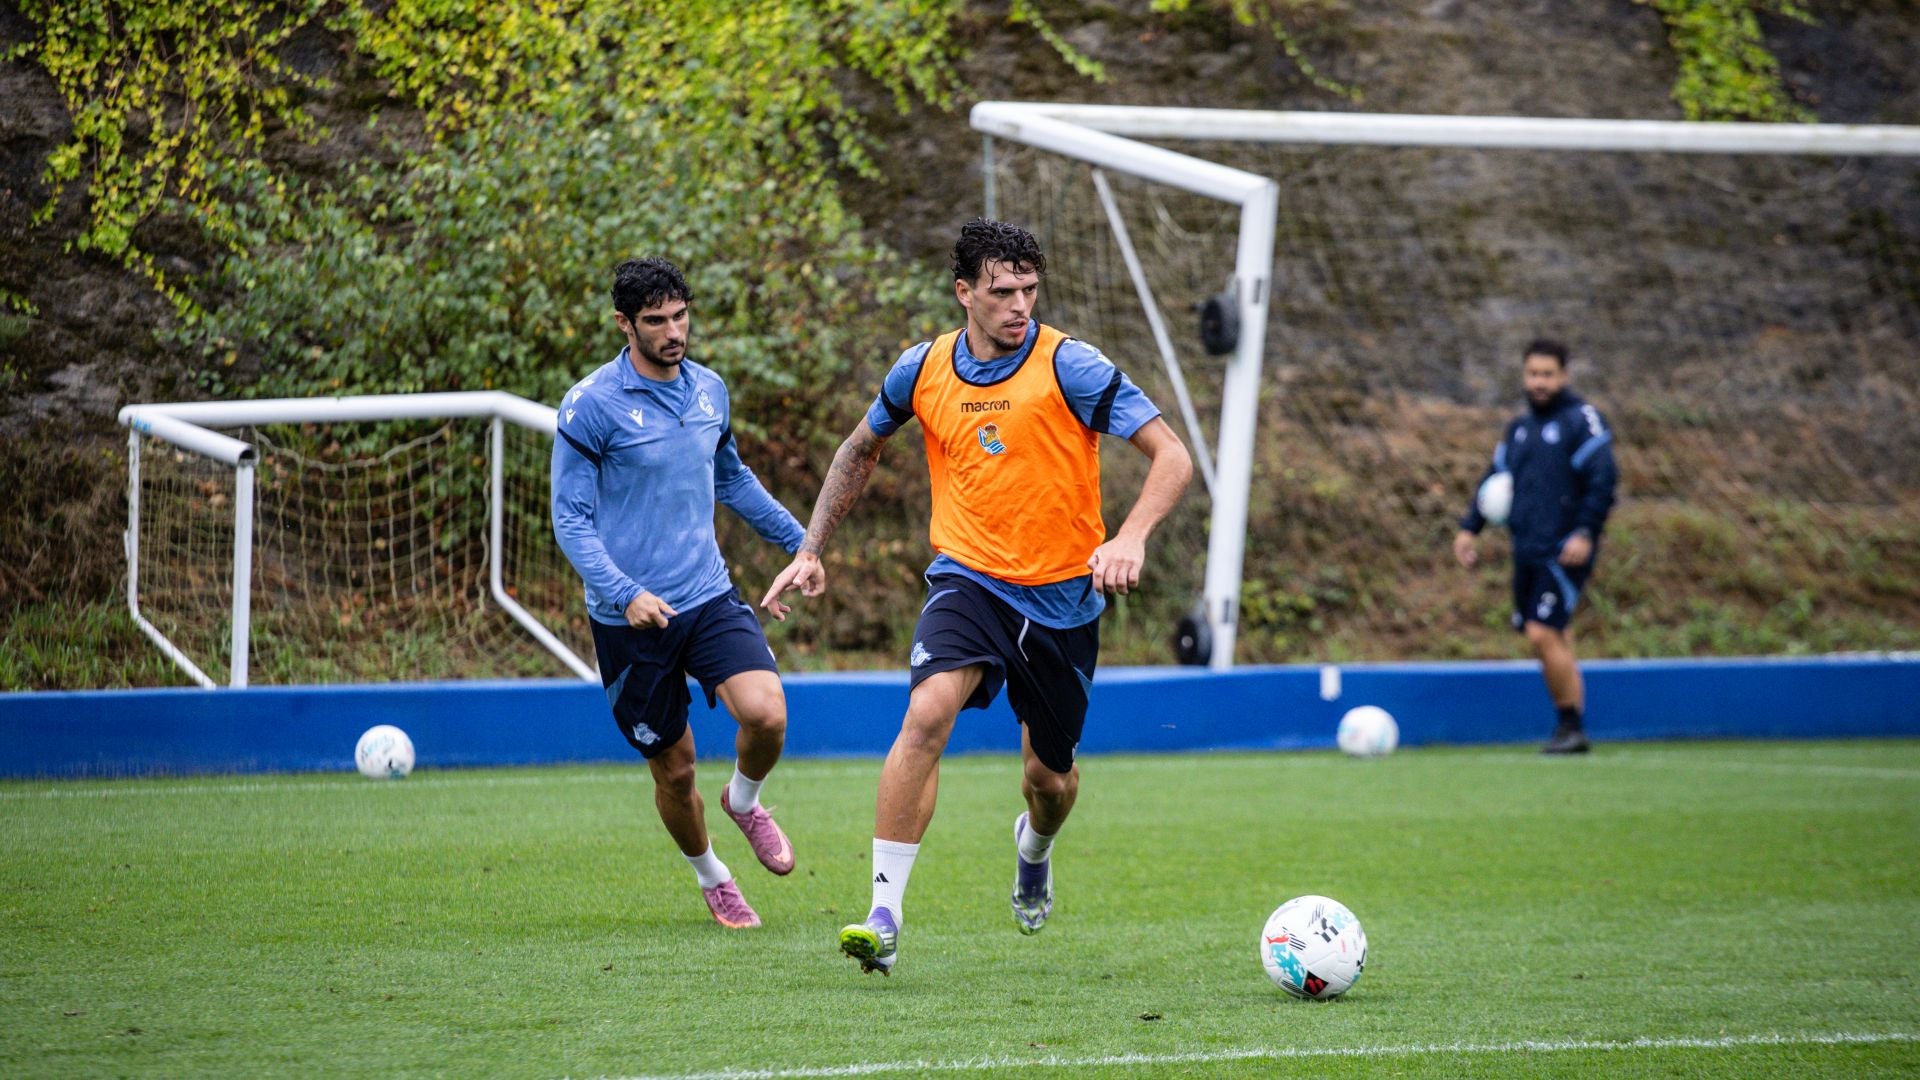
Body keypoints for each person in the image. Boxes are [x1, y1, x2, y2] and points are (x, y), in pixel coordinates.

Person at [760, 218, 1193, 975]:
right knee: (927, 712)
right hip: (969, 578)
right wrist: (810, 549)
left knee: (1047, 781)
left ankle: (1034, 848)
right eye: (1002, 292)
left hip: (1062, 602)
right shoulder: (922, 369)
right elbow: (860, 449)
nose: (1019, 304)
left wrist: (1130, 536)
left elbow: (1173, 456)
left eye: (1029, 289)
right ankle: (883, 914)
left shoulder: (1072, 366)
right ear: (964, 292)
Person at [552, 257, 805, 929]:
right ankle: (712, 876)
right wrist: (623, 591)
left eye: (680, 316)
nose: (673, 331)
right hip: (629, 618)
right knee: (676, 771)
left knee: (768, 712)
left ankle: (746, 802)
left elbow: (733, 478)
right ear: (624, 324)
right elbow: (570, 519)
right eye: (656, 321)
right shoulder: (591, 405)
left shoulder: (709, 391)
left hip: (706, 593)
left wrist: (801, 543)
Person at [1454, 338, 1618, 754]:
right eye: (1532, 374)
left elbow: (1602, 480)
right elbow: (1494, 481)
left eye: (1547, 374)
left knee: (1541, 632)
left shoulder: (1581, 421)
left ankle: (1571, 725)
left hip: (1563, 548)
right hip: (1526, 546)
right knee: (1552, 634)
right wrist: (1469, 528)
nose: (1539, 382)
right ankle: (1572, 722)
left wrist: (1585, 532)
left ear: (1563, 376)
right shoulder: (1520, 429)